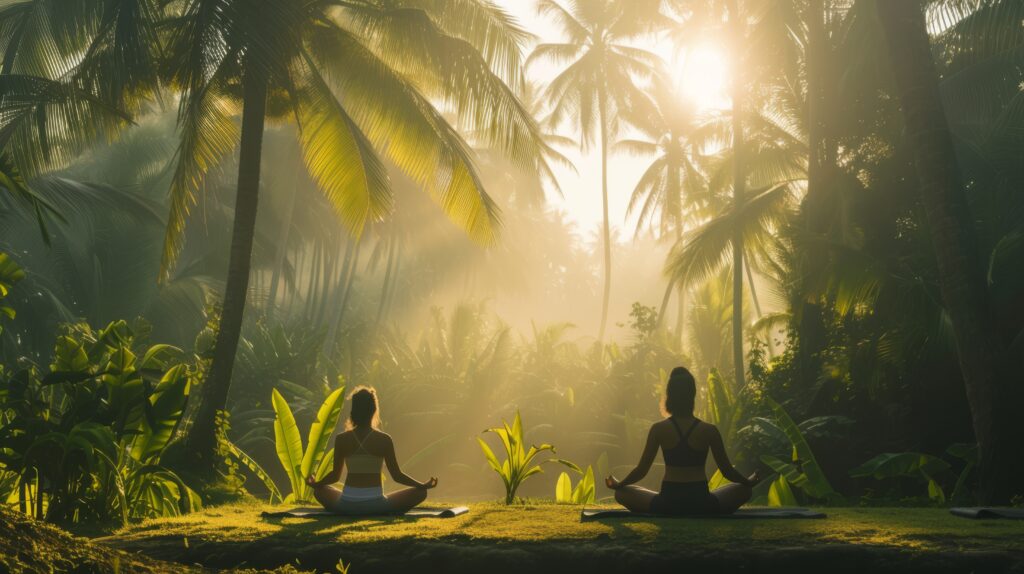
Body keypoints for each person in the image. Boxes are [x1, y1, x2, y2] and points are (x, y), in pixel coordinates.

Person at [605, 367, 759, 515]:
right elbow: (727, 471)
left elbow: (642, 470)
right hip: (702, 503)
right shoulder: (709, 430)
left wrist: (620, 485)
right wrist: (748, 481)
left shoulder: (659, 429)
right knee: (744, 490)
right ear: (692, 395)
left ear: (669, 396)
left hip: (668, 503)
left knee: (621, 494)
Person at [307, 386, 438, 515]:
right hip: (377, 505)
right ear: (374, 410)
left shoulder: (342, 439)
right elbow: (397, 475)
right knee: (420, 493)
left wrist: (316, 484)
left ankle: (347, 506)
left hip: (346, 504)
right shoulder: (384, 439)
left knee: (319, 491)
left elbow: (335, 476)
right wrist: (422, 485)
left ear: (353, 411)